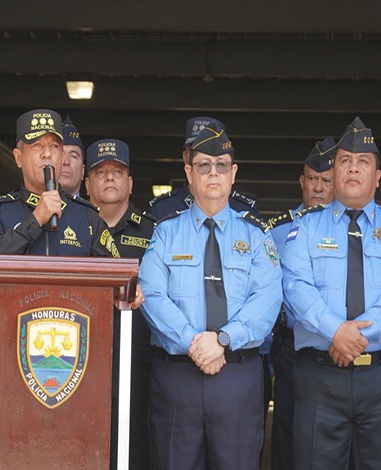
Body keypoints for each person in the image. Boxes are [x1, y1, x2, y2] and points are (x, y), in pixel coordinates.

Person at [282, 117, 381, 469]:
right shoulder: (305, 227)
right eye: (345, 161)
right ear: (334, 172)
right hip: (319, 378)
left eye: (363, 162)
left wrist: (353, 335)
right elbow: (295, 286)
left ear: (377, 176)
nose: (354, 169)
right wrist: (335, 330)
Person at [138, 125, 281, 469]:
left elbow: (268, 297)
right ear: (189, 172)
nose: (213, 173)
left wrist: (223, 340)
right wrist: (194, 342)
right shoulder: (166, 232)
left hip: (237, 376)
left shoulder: (256, 236)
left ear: (233, 173)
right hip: (178, 380)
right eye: (203, 165)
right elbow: (152, 295)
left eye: (221, 165)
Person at [84, 138, 155, 469]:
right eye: (101, 171)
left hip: (136, 366)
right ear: (87, 183)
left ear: (130, 182)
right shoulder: (71, 229)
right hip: (81, 366)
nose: (109, 177)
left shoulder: (154, 233)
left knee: (134, 453)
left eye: (117, 171)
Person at [266, 136, 335, 470]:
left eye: (326, 181)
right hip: (293, 348)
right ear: (301, 182)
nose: (319, 188)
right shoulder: (275, 231)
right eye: (312, 179)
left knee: (332, 436)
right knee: (289, 434)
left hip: (338, 344)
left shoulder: (348, 227)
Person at [0, 108, 120, 259]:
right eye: (37, 145)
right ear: (18, 157)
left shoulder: (87, 217)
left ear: (61, 157)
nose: (47, 153)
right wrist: (35, 221)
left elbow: (118, 275)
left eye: (54, 146)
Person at [148, 116, 261, 220]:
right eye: (196, 150)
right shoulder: (162, 209)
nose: (205, 156)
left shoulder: (243, 208)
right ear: (184, 157)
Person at [58, 116, 85, 196]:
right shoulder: (35, 208)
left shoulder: (90, 209)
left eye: (73, 156)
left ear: (83, 172)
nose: (66, 162)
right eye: (60, 155)